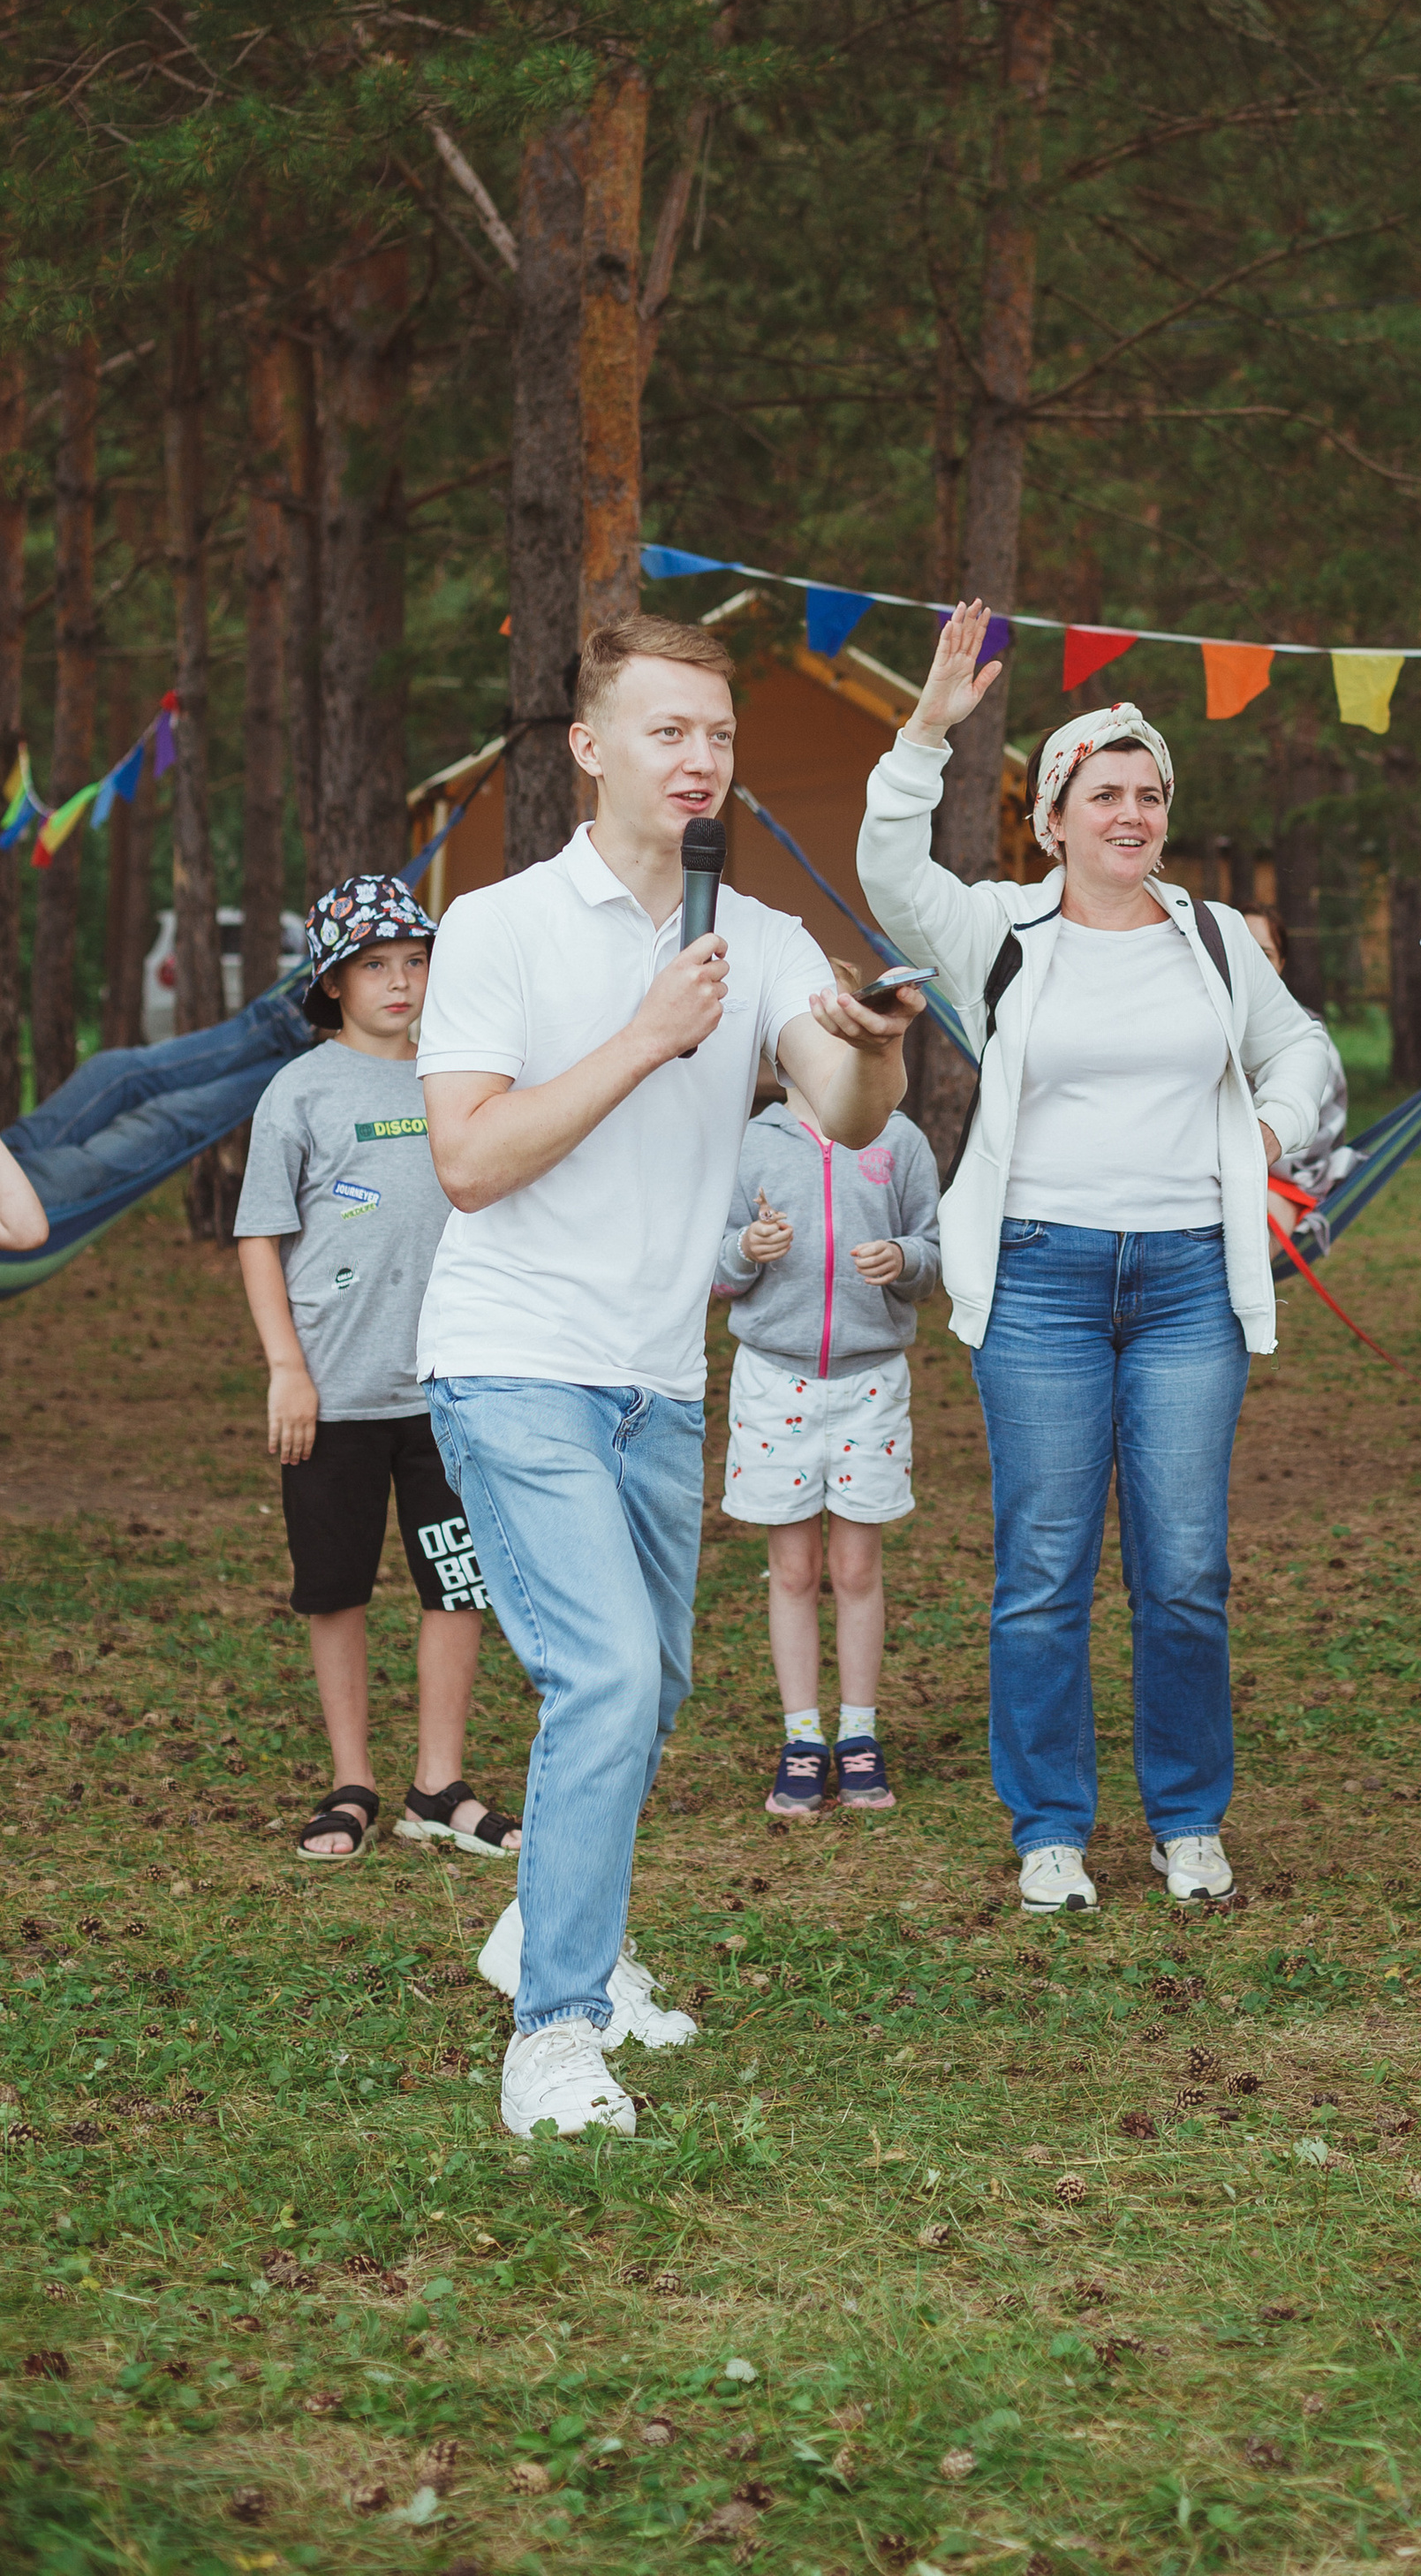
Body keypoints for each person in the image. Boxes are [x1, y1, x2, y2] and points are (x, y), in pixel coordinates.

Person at [417, 615, 921, 2140]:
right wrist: (646, 1037)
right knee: (609, 1678)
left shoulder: (755, 937)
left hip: (660, 1380)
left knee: (655, 1690)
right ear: (590, 748)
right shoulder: (500, 927)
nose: (700, 760)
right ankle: (554, 2036)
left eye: (716, 735)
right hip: (511, 1360)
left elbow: (838, 1110)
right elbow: (469, 1161)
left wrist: (879, 1044)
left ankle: (550, 1931)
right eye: (666, 732)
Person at [858, 602, 1333, 1916]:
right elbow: (890, 872)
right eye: (1102, 792)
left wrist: (1269, 1127)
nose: (1130, 813)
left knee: (1183, 1568)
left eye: (1149, 794)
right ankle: (1051, 1828)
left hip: (1188, 1286)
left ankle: (1188, 1821)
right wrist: (924, 734)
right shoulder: (1001, 934)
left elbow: (1305, 1056)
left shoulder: (1220, 939)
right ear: (1052, 815)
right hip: (1042, 1284)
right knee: (1045, 1568)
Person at [234, 875, 517, 1868]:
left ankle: (437, 1785)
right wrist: (287, 1371)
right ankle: (350, 1780)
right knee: (336, 1588)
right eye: (374, 965)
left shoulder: (470, 1075)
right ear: (333, 983)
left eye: (415, 960)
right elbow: (261, 1238)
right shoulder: (299, 1093)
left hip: (452, 1389)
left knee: (456, 1584)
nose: (399, 981)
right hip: (335, 1396)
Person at [715, 1059, 941, 1818]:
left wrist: (904, 1259)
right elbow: (713, 1262)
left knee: (855, 1568)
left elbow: (932, 1254)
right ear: (783, 1058)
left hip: (869, 1384)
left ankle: (860, 1734)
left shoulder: (899, 1140)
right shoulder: (746, 1142)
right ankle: (802, 1737)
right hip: (773, 1382)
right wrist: (748, 1248)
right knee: (793, 1571)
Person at [1243, 905, 1357, 1240]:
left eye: (1264, 953)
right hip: (1204, 1181)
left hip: (1281, 1181)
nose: (1252, 963)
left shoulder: (1306, 1036)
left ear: (1280, 965)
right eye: (1242, 951)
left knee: (1248, 1241)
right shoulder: (1198, 1027)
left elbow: (1308, 1139)